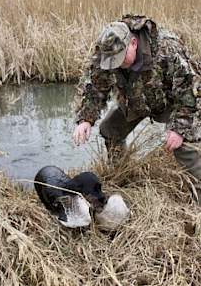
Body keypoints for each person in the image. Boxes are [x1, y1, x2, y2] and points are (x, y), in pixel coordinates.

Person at [73, 14, 201, 204]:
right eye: (112, 61)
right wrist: (86, 119)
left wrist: (179, 128)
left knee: (184, 146)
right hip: (135, 101)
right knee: (109, 129)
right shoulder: (107, 51)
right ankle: (121, 174)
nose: (115, 64)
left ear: (133, 43)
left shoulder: (167, 48)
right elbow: (95, 86)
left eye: (120, 58)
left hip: (173, 103)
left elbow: (193, 92)